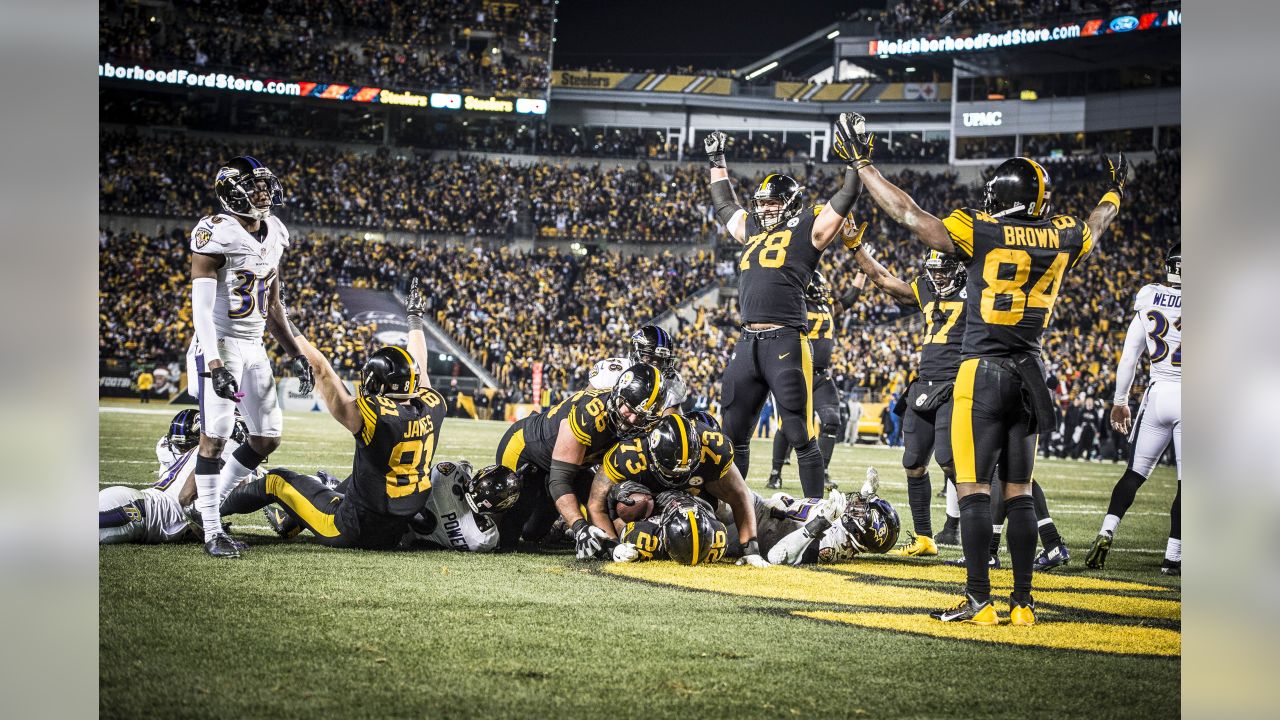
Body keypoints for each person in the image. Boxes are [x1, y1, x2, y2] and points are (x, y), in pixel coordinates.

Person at [842, 110, 1125, 625]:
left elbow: (907, 214)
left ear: (1003, 198)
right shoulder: (1062, 235)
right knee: (1017, 492)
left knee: (972, 488)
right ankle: (1023, 605)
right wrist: (1114, 194)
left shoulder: (981, 229)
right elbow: (1096, 223)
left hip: (981, 372)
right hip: (1031, 375)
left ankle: (979, 600)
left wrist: (863, 165)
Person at [219, 278, 446, 551]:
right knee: (352, 481)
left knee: (276, 480)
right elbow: (419, 366)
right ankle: (291, 519)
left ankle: (210, 511)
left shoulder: (374, 415)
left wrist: (282, 319)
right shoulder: (433, 405)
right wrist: (415, 320)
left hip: (350, 528)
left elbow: (321, 371)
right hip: (395, 530)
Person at [704, 123, 865, 499]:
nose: (765, 209)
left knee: (799, 431)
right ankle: (733, 512)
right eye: (762, 204)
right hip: (747, 343)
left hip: (786, 340)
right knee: (733, 434)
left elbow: (847, 194)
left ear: (791, 205)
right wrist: (717, 161)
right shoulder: (754, 227)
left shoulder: (809, 225)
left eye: (773, 203)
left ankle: (815, 518)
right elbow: (726, 204)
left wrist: (854, 160)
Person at [186, 155, 314, 558]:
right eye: (253, 187)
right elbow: (202, 312)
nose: (262, 192)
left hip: (255, 344)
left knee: (266, 437)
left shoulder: (275, 231)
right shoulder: (215, 233)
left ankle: (209, 506)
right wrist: (215, 363)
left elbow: (274, 305)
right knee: (215, 438)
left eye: (264, 185)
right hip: (221, 343)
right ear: (232, 192)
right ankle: (210, 531)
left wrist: (296, 352)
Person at [848, 246, 967, 555]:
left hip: (957, 382)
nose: (938, 277)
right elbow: (884, 280)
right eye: (934, 271)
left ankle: (979, 536)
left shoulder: (978, 288)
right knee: (913, 463)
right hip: (924, 382)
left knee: (951, 461)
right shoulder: (927, 288)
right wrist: (856, 249)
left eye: (944, 271)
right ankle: (925, 538)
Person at [494, 362, 666, 556]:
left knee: (534, 533)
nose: (633, 420)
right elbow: (560, 480)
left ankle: (568, 529)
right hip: (525, 449)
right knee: (507, 537)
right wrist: (580, 527)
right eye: (630, 409)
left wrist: (611, 546)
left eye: (641, 416)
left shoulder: (638, 427)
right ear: (619, 395)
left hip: (570, 465)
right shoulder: (590, 414)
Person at [1087, 244, 1182, 575]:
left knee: (1134, 474)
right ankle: (1174, 557)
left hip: (1156, 395)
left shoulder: (1149, 296)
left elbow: (1129, 358)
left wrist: (1120, 402)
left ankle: (1106, 531)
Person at [585, 412, 769, 566]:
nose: (676, 478)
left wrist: (750, 548)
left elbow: (740, 495)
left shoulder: (714, 448)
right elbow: (595, 505)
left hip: (695, 497)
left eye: (683, 472)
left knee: (711, 535)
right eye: (671, 472)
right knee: (634, 504)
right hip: (646, 500)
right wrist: (611, 546)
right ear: (652, 453)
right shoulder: (628, 454)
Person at [767, 268, 868, 491]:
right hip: (798, 372)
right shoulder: (796, 305)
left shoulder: (827, 307)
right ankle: (775, 473)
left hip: (822, 375)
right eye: (819, 286)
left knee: (832, 420)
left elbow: (849, 299)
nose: (824, 290)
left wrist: (861, 273)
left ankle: (822, 471)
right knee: (788, 425)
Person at [401, 462, 524, 553]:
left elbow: (465, 465)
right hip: (410, 540)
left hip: (397, 519)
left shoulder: (447, 472)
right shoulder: (484, 538)